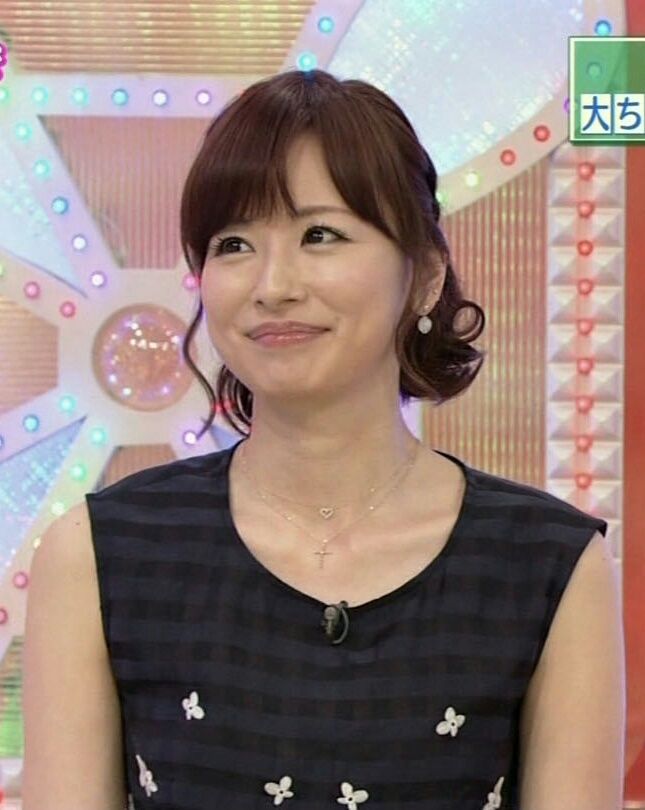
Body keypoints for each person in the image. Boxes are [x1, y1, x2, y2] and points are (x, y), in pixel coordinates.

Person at [22, 68, 625, 810]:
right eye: (233, 243)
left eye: (319, 235)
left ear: (424, 276)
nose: (272, 285)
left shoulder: (548, 564)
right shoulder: (98, 555)